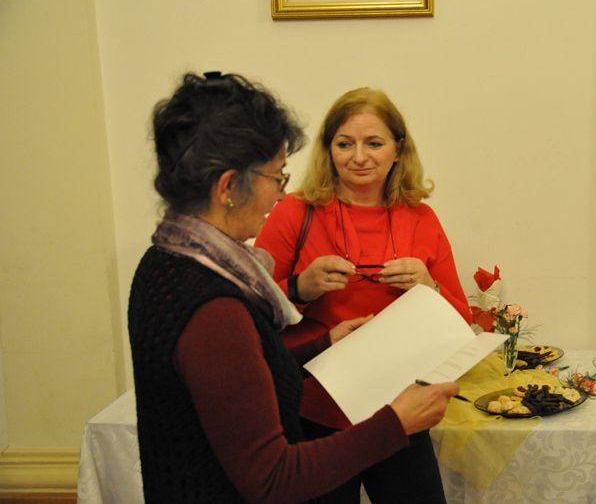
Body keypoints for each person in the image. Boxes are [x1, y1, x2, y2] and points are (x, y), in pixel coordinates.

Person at [127, 72, 458, 503]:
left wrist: (322, 345)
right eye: (276, 177)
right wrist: (395, 423)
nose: (280, 197)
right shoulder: (213, 302)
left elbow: (243, 369)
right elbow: (273, 477)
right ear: (228, 187)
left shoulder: (162, 262)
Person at [255, 87, 471, 503]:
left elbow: (462, 326)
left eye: (373, 143)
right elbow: (249, 315)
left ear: (398, 150)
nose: (358, 157)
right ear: (328, 149)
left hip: (400, 411)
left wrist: (429, 287)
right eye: (344, 144)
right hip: (314, 412)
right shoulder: (294, 213)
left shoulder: (421, 217)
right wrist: (300, 288)